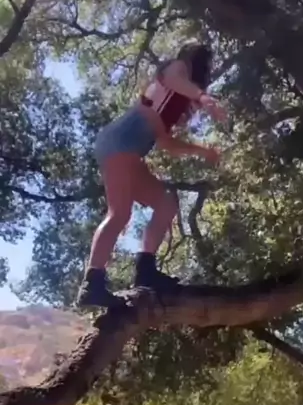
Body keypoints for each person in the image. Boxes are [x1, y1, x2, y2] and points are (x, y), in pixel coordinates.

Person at [76, 40, 226, 308]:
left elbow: (166, 143)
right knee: (119, 214)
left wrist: (203, 151)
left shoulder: (175, 103)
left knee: (166, 204)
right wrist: (204, 98)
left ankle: (145, 272)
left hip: (130, 150)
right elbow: (175, 79)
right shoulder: (176, 68)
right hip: (121, 140)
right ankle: (92, 283)